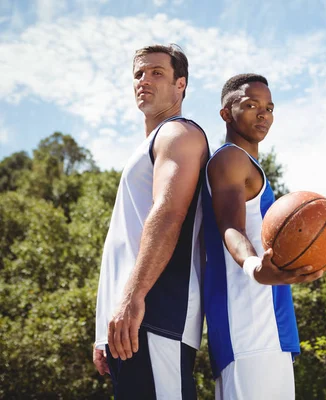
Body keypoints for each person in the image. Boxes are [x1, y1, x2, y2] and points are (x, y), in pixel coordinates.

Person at [92, 44, 210, 399]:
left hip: (158, 315)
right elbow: (124, 241)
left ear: (181, 85)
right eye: (139, 74)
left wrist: (132, 297)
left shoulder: (179, 133)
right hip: (129, 326)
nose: (144, 80)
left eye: (157, 72)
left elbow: (170, 212)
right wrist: (103, 332)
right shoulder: (146, 148)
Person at [202, 73, 323, 400]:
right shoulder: (229, 159)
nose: (263, 114)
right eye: (251, 105)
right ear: (226, 113)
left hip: (269, 330)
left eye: (269, 108)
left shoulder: (249, 166)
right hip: (249, 331)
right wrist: (255, 266)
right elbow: (231, 227)